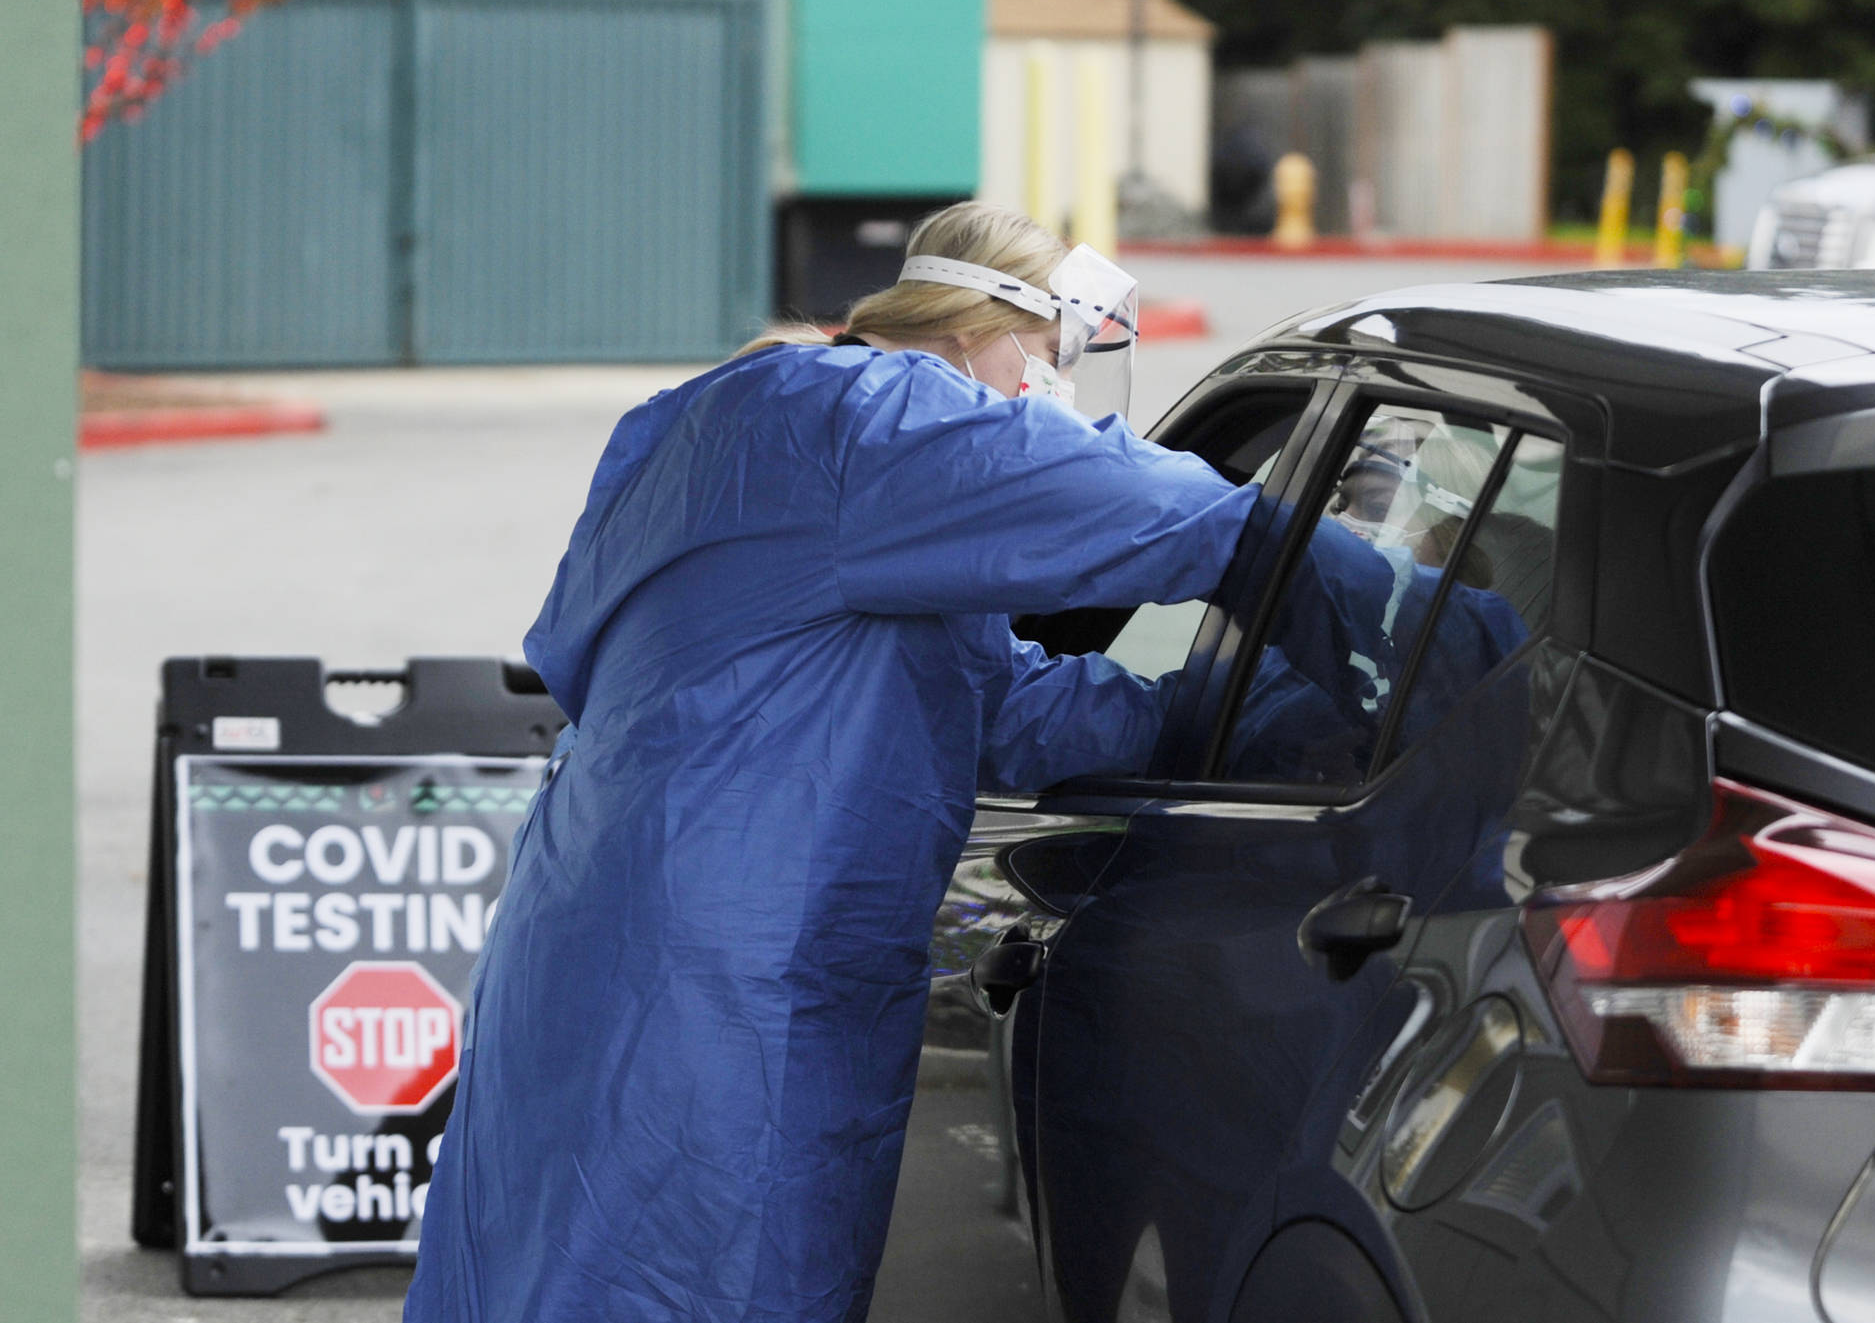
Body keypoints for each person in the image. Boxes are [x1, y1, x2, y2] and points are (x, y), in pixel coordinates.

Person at [403, 202, 1258, 1322]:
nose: (1037, 397)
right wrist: (1350, 579)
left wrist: (1204, 713)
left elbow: (985, 696)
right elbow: (1159, 509)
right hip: (723, 961)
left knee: (549, 1262)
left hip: (608, 915)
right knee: (690, 1273)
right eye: (1044, 364)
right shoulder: (877, 419)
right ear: (979, 326)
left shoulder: (745, 419)